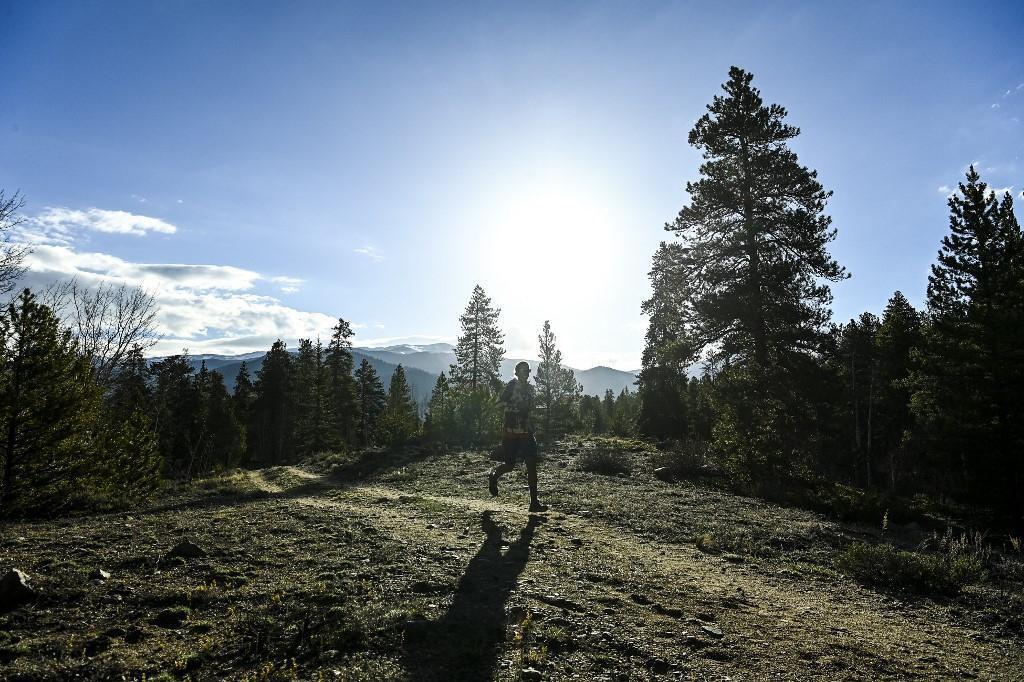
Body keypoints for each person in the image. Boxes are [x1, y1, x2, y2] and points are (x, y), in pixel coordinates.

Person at [488, 361, 547, 512]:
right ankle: (494, 477)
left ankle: (534, 503)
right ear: (516, 372)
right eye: (522, 371)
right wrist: (515, 408)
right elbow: (498, 404)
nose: (525, 374)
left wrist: (537, 412)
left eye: (527, 371)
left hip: (526, 431)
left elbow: (531, 407)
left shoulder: (530, 389)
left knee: (531, 463)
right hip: (511, 432)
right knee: (510, 465)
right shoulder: (511, 386)